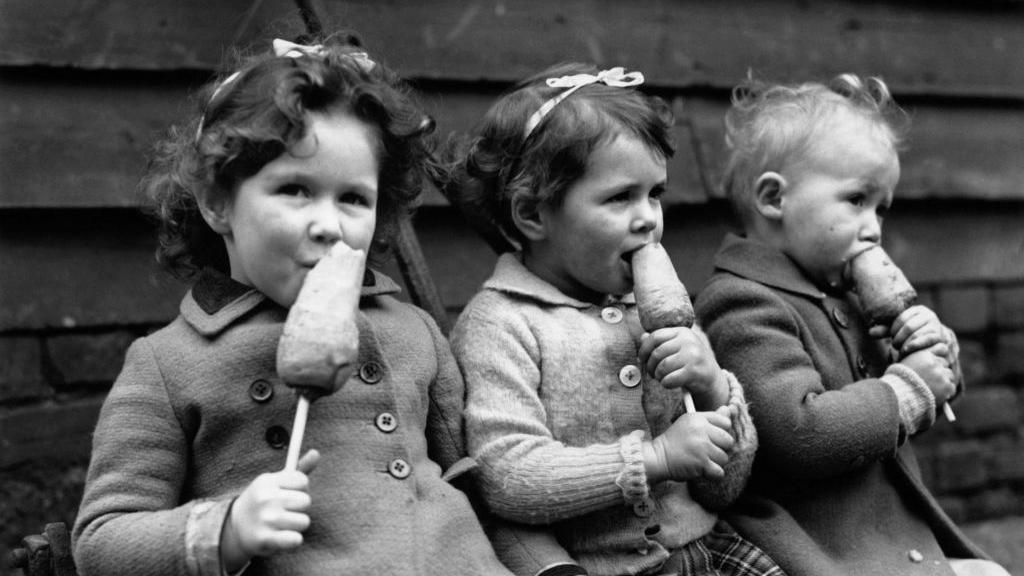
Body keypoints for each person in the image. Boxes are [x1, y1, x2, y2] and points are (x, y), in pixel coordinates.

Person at [72, 34, 516, 576]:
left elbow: (479, 485)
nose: (329, 225)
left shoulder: (413, 332)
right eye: (295, 190)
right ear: (217, 202)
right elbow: (101, 540)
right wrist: (227, 529)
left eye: (354, 198)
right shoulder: (167, 365)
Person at [449, 63, 771, 576]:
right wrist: (656, 458)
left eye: (655, 193)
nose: (648, 217)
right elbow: (508, 479)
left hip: (712, 550)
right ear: (533, 214)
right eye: (620, 197)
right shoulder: (500, 325)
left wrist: (713, 388)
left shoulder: (662, 313)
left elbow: (726, 487)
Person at [695, 74, 1009, 576]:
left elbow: (924, 393)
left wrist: (930, 351)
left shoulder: (842, 294)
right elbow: (800, 434)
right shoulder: (740, 303)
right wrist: (908, 391)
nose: (874, 228)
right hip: (813, 549)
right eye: (856, 200)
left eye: (881, 208)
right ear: (775, 199)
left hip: (888, 541)